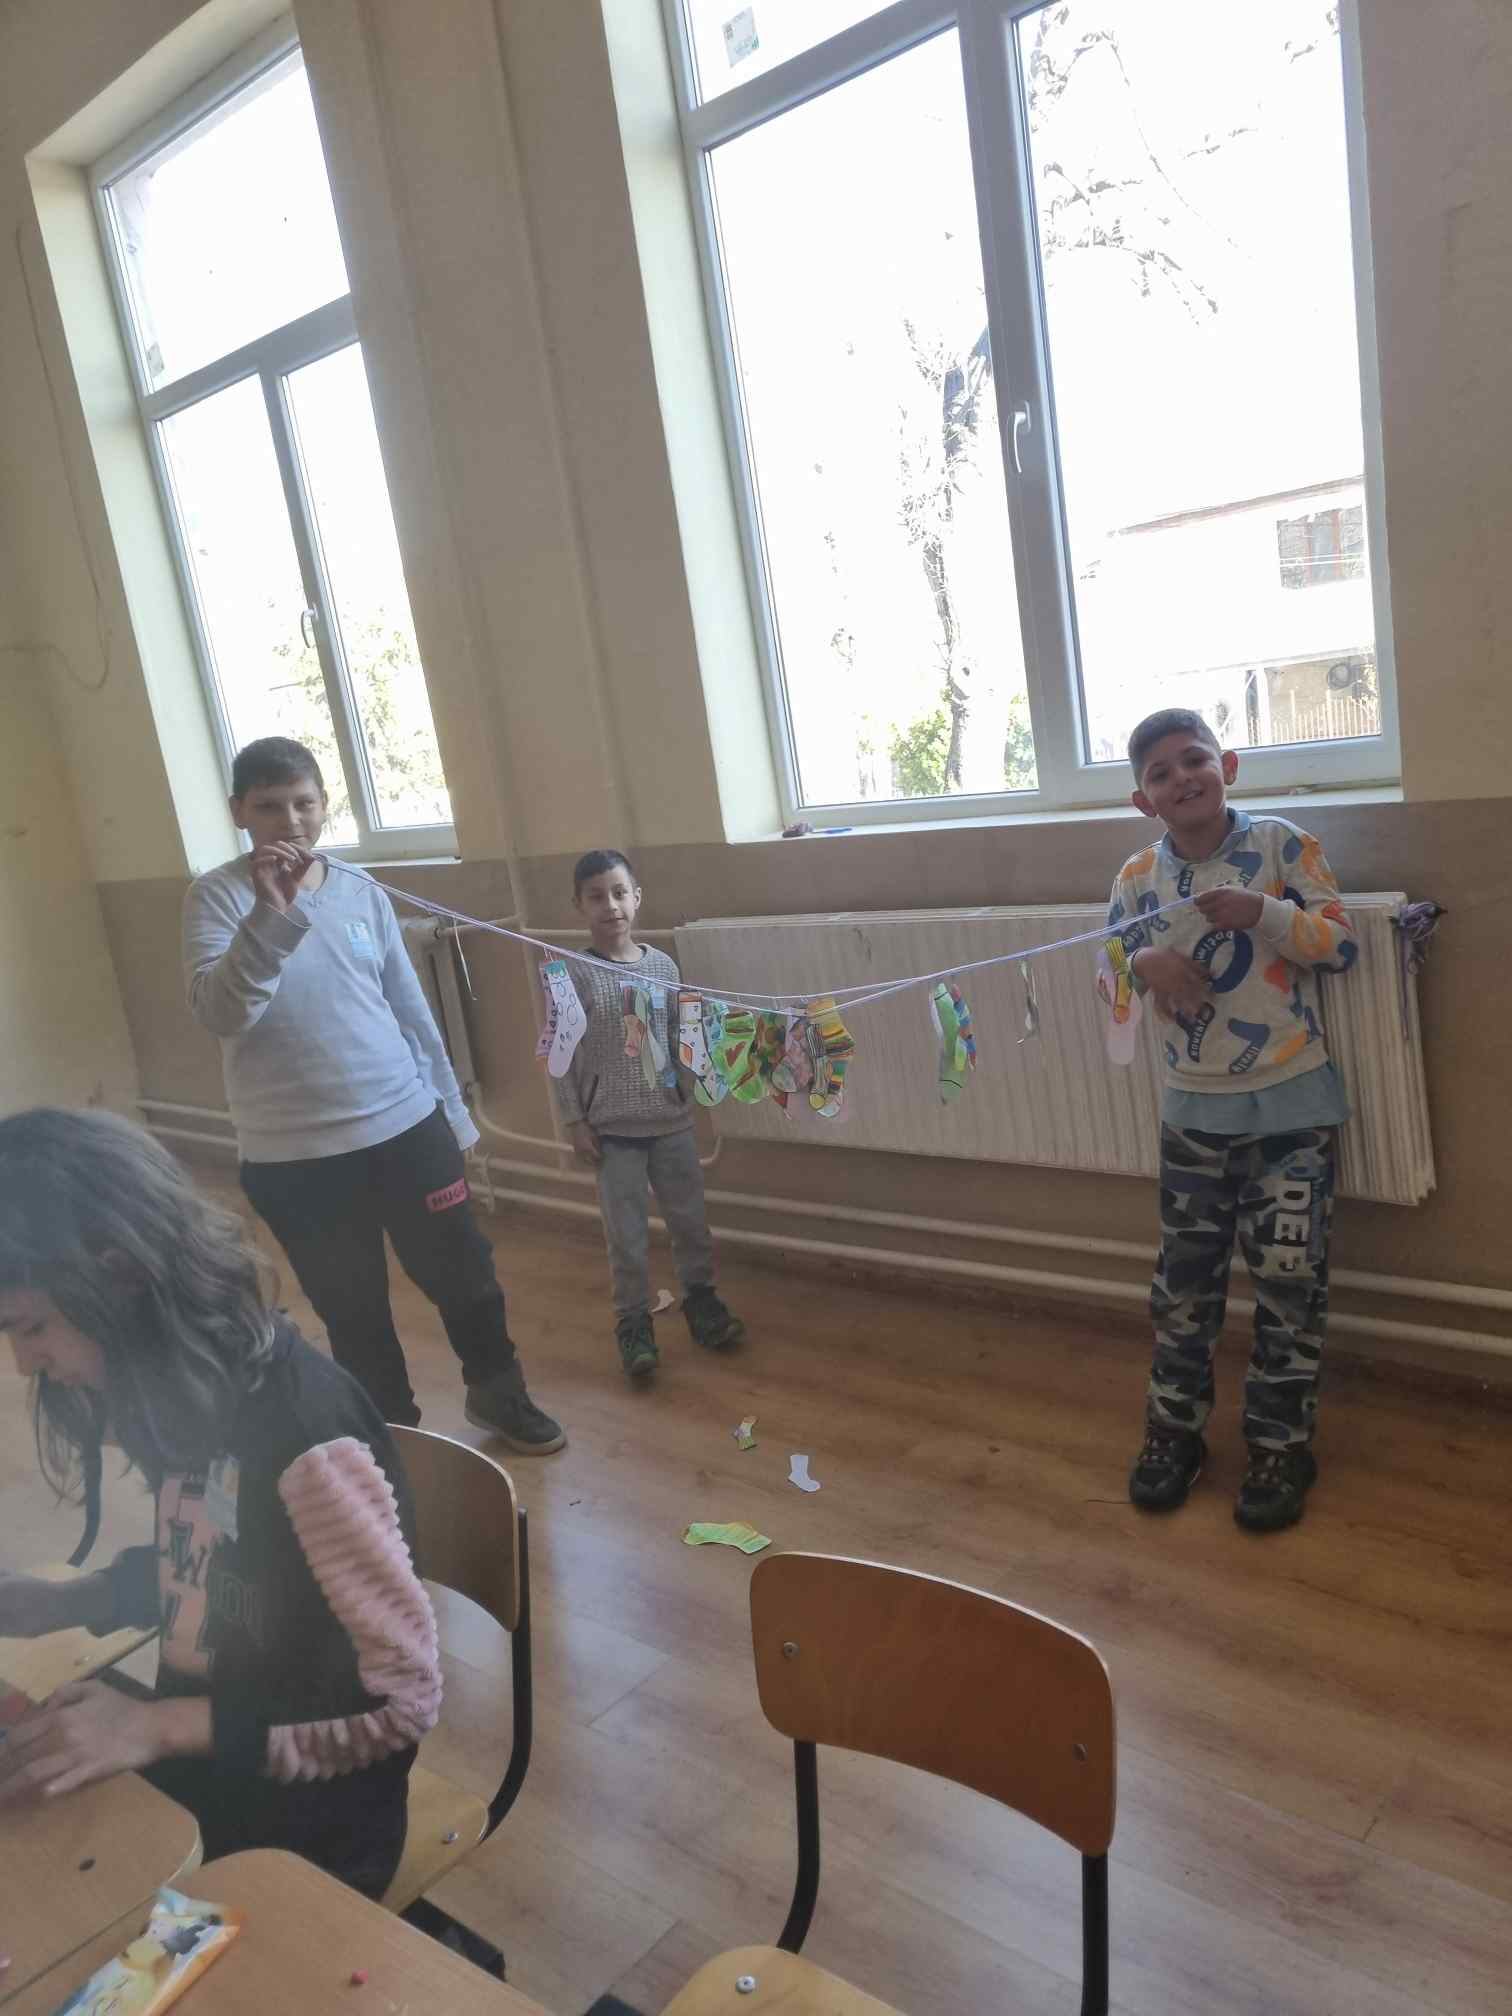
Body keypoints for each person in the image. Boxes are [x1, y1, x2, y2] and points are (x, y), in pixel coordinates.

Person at [0, 1108, 442, 1900]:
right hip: (209, 1769)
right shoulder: (183, 1397)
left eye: (30, 1327)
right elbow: (209, 1575)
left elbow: (399, 1703)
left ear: (119, 1275)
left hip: (313, 1834)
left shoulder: (306, 1439)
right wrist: (66, 1602)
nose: (24, 1362)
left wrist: (155, 1725)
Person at [182, 737, 562, 1451]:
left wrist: (454, 1118)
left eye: (304, 803)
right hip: (294, 1158)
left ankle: (499, 1394)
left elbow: (410, 1010)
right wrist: (270, 914)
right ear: (239, 812)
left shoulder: (360, 890)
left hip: (406, 1126)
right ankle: (395, 1439)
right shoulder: (217, 897)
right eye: (269, 806)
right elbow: (222, 1014)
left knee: (468, 1278)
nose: (290, 821)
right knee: (352, 1310)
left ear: (325, 806)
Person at [1108, 708, 1357, 1532]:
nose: (1182, 778)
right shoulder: (1136, 875)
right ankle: (1173, 1433)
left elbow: (1342, 945)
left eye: (1195, 759)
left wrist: (1265, 915)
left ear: (1230, 766)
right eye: (1161, 773)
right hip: (1194, 1117)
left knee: (1289, 1286)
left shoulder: (1284, 845)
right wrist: (1145, 960)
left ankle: (1281, 1444)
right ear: (1143, 799)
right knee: (1183, 1290)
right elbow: (1110, 964)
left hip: (1294, 1112)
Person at [553, 849, 745, 1378]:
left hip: (671, 1123)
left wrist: (693, 1084)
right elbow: (560, 1056)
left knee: (690, 1221)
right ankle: (634, 1322)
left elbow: (681, 1036)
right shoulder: (572, 974)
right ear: (579, 905)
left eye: (619, 893)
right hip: (612, 1130)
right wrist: (574, 1121)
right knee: (627, 1235)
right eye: (596, 896)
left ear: (637, 898)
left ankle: (701, 1301)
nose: (610, 906)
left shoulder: (663, 967)